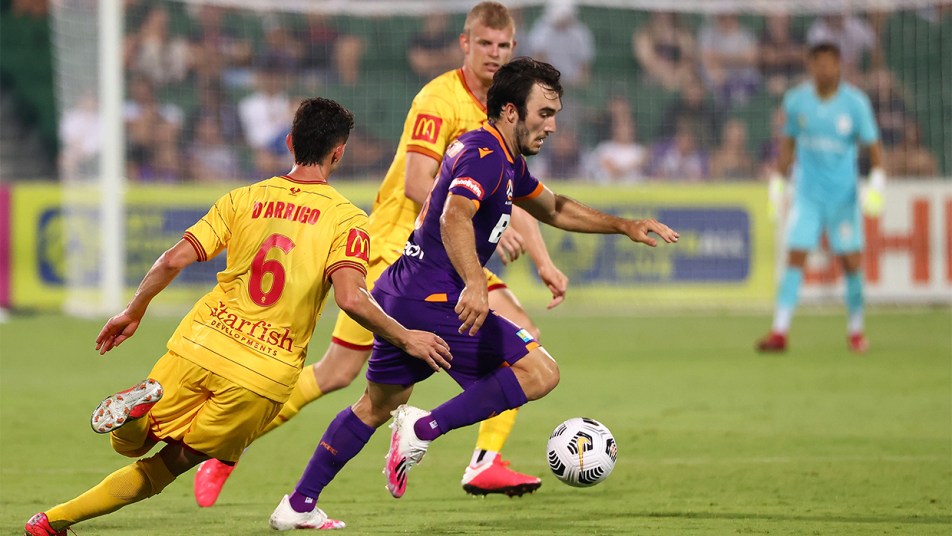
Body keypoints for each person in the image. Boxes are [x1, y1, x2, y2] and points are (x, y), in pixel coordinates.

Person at [267, 57, 679, 531]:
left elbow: (555, 207)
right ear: (509, 111)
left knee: (375, 405)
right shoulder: (484, 156)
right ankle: (423, 429)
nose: (552, 125)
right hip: (434, 297)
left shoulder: (505, 158)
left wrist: (623, 225)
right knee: (540, 372)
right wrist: (475, 282)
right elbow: (454, 216)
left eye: (555, 114)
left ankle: (297, 505)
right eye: (543, 113)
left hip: (405, 290)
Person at [193, 1, 569, 507]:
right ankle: (226, 448)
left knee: (515, 341)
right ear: (466, 43)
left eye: (504, 47)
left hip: (448, 258)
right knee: (338, 373)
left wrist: (542, 259)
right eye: (485, 44)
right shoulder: (440, 100)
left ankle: (482, 461)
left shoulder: (505, 115)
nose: (494, 55)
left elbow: (511, 190)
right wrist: (479, 228)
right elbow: (421, 183)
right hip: (401, 251)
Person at [23, 97, 450, 536]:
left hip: (200, 342)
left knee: (131, 443)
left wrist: (133, 310)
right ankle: (52, 521)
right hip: (262, 373)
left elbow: (172, 259)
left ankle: (131, 423)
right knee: (168, 466)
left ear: (289, 143)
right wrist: (406, 338)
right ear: (338, 152)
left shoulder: (244, 197)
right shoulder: (348, 220)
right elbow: (352, 299)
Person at [758, 42, 886, 354]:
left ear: (839, 65)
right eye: (819, 63)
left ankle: (856, 331)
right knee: (795, 256)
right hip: (808, 195)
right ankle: (780, 331)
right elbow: (786, 146)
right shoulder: (796, 101)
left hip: (843, 197)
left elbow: (874, 148)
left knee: (851, 262)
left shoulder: (855, 103)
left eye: (830, 63)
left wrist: (876, 183)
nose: (825, 69)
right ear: (810, 66)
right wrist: (778, 183)